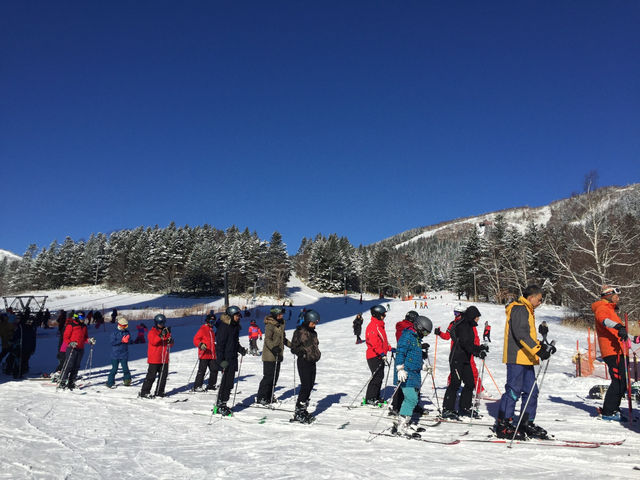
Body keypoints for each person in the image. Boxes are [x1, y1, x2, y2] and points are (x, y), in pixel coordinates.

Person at [494, 285, 556, 439]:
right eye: (539, 299)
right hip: (517, 357)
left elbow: (529, 336)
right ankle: (504, 423)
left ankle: (526, 421)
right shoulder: (520, 309)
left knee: (531, 392)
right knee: (514, 390)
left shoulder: (528, 310)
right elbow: (520, 334)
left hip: (527, 357)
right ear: (531, 297)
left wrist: (543, 347)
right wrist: (538, 349)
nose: (540, 302)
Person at [592, 285, 640, 421]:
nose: (618, 298)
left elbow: (620, 332)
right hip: (612, 350)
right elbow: (604, 321)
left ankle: (613, 409)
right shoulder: (602, 308)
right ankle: (608, 411)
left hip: (619, 350)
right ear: (608, 295)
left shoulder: (612, 311)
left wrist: (633, 338)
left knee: (623, 382)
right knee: (618, 381)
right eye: (616, 295)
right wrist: (618, 326)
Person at [441, 306, 488, 419]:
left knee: (470, 383)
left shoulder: (469, 325)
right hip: (457, 358)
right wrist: (477, 352)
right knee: (455, 383)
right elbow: (465, 343)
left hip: (465, 358)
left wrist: (480, 348)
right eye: (477, 317)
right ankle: (447, 409)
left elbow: (471, 343)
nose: (478, 320)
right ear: (472, 316)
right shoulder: (463, 326)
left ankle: (464, 407)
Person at [393, 315, 433, 436]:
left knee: (413, 399)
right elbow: (400, 352)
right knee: (411, 398)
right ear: (419, 327)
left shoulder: (416, 339)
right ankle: (402, 425)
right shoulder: (407, 337)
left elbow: (415, 357)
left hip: (414, 374)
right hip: (405, 374)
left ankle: (405, 422)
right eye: (425, 332)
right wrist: (400, 368)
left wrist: (423, 366)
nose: (425, 335)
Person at [436, 306, 485, 395]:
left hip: (468, 351)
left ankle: (479, 389)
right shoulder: (453, 324)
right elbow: (447, 336)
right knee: (455, 371)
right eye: (454, 313)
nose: (456, 315)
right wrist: (439, 333)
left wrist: (476, 350)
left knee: (472, 370)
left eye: (457, 313)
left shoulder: (469, 323)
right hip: (456, 352)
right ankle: (451, 386)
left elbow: (475, 337)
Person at [214, 306, 247, 415]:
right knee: (225, 383)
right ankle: (220, 404)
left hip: (232, 358)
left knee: (229, 384)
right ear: (231, 315)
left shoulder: (234, 327)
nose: (239, 318)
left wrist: (240, 349)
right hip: (225, 360)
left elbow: (234, 342)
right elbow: (220, 346)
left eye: (239, 316)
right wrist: (221, 361)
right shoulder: (224, 327)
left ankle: (224, 402)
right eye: (237, 316)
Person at [290, 309, 321, 423]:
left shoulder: (313, 332)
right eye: (313, 323)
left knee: (310, 385)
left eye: (315, 323)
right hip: (303, 361)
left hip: (312, 361)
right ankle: (299, 411)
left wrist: (316, 354)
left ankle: (303, 409)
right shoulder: (299, 331)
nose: (314, 325)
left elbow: (314, 346)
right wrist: (302, 352)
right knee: (305, 385)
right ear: (307, 321)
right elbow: (294, 347)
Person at [256, 306, 291, 405]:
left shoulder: (281, 324)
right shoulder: (270, 325)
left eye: (282, 314)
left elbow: (283, 339)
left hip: (278, 355)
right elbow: (267, 339)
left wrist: (292, 346)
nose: (281, 316)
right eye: (280, 314)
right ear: (275, 315)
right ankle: (261, 396)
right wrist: (273, 348)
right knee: (268, 377)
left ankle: (269, 396)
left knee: (275, 377)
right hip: (269, 355)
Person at [390, 310, 420, 415]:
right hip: (405, 358)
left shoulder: (409, 328)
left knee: (410, 384)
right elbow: (403, 343)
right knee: (404, 384)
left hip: (410, 356)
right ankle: (397, 406)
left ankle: (410, 406)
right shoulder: (405, 328)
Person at [139, 314, 174, 398]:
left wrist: (170, 341)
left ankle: (159, 392)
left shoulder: (166, 332)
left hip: (164, 358)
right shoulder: (152, 332)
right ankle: (144, 392)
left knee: (163, 377)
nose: (161, 324)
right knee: (151, 376)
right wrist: (161, 335)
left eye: (163, 322)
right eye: (160, 323)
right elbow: (154, 342)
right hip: (154, 359)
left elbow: (170, 345)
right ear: (156, 323)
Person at [364, 304, 392, 406]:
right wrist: (381, 353)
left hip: (380, 355)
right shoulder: (373, 326)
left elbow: (383, 341)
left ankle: (375, 396)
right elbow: (374, 343)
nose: (384, 317)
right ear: (376, 315)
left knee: (380, 376)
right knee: (376, 377)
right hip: (373, 355)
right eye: (383, 315)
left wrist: (389, 348)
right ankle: (370, 398)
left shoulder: (379, 325)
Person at [59, 312, 96, 390]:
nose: (83, 320)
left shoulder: (84, 326)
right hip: (72, 348)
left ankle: (71, 382)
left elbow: (85, 338)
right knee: (69, 365)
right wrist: (70, 343)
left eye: (84, 318)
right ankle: (62, 382)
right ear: (77, 318)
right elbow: (65, 337)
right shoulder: (71, 325)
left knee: (76, 366)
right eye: (81, 318)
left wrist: (89, 340)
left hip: (80, 348)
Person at [192, 314, 218, 392]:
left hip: (212, 354)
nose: (212, 323)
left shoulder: (212, 330)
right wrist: (200, 345)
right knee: (202, 371)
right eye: (210, 321)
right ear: (207, 321)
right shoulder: (203, 329)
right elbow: (195, 339)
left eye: (213, 322)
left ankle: (211, 385)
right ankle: (197, 386)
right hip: (204, 354)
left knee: (214, 370)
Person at [106, 317, 132, 388]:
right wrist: (121, 340)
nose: (126, 327)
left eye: (127, 326)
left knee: (125, 368)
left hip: (124, 354)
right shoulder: (114, 333)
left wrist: (128, 340)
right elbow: (112, 342)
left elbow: (130, 341)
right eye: (125, 326)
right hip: (115, 355)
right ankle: (110, 382)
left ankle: (127, 380)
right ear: (120, 325)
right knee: (114, 369)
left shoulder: (127, 332)